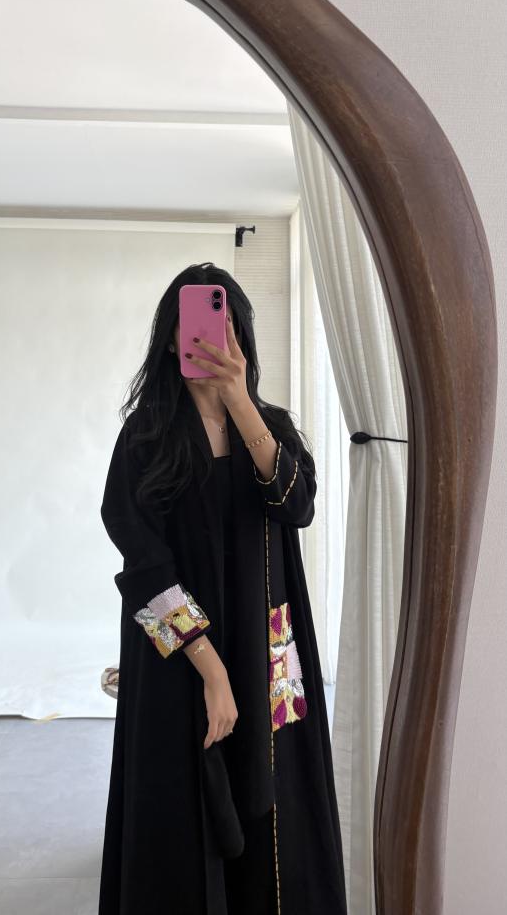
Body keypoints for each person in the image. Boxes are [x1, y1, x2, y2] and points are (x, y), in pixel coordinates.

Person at [97, 262, 347, 915]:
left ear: (242, 337)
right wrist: (210, 668)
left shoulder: (270, 427)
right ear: (170, 339)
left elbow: (297, 505)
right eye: (196, 326)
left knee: (275, 816)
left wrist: (239, 402)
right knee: (180, 813)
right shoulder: (145, 440)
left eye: (225, 326)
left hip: (269, 654)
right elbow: (143, 569)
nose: (210, 339)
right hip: (178, 659)